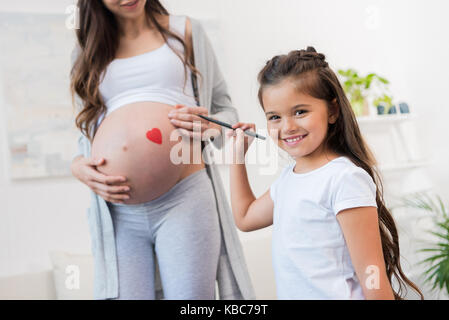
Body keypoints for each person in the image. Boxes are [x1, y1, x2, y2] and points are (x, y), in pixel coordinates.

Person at [69, 0, 255, 300]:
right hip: (117, 211)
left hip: (185, 198)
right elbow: (83, 131)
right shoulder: (87, 50)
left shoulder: (185, 31)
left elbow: (225, 110)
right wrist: (77, 165)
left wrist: (213, 127)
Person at [226, 46, 424, 299]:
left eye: (300, 112)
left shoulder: (344, 178)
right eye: (274, 117)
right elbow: (244, 217)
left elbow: (372, 275)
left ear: (332, 111)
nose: (287, 126)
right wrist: (236, 157)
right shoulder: (289, 178)